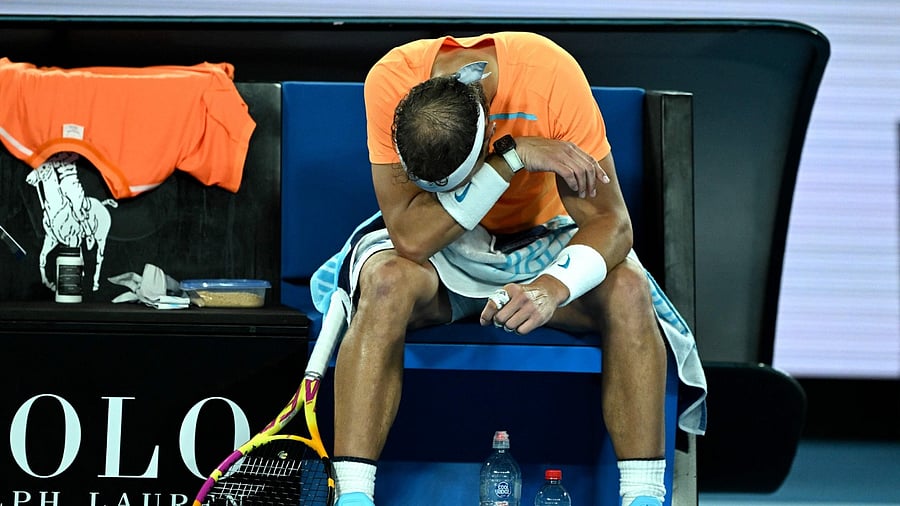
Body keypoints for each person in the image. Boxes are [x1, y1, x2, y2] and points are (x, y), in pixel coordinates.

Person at [310, 31, 707, 506]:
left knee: (629, 289)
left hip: (541, 241)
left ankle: (642, 497)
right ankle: (353, 497)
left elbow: (612, 224)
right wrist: (512, 158)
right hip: (441, 244)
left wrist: (549, 288)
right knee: (385, 282)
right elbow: (411, 238)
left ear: (484, 133)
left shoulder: (552, 76)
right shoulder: (391, 80)